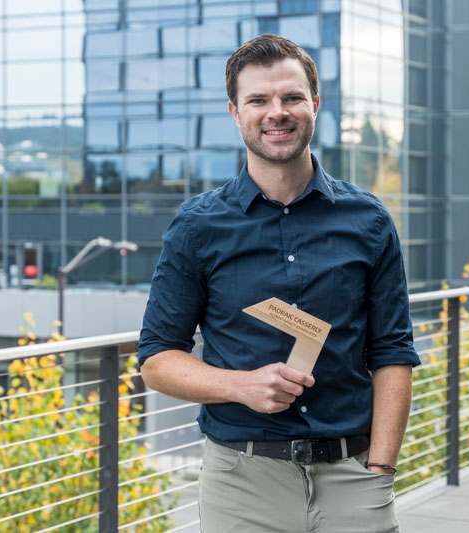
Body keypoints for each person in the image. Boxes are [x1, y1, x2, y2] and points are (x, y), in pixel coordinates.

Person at [139, 34, 420, 533]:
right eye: (259, 100)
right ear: (235, 112)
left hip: (353, 474)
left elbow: (393, 351)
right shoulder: (197, 227)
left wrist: (379, 469)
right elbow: (158, 361)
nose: (277, 112)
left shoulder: (370, 220)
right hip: (242, 479)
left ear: (314, 103)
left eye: (291, 97)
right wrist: (240, 386)